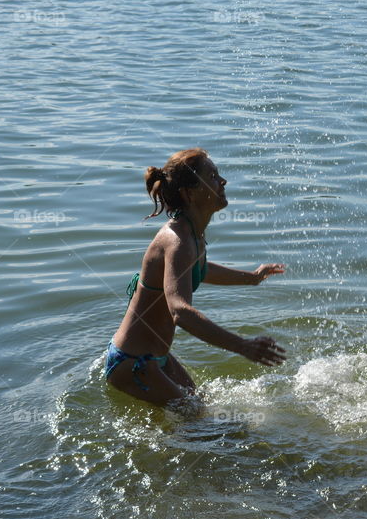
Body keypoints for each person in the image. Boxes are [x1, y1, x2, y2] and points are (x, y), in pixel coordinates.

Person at [104, 147, 286, 410]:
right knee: (204, 425)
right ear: (189, 193)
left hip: (158, 357)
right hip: (133, 362)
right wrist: (242, 346)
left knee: (202, 408)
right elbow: (180, 311)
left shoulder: (191, 234)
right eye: (212, 176)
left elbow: (199, 268)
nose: (222, 181)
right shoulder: (177, 240)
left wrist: (252, 278)